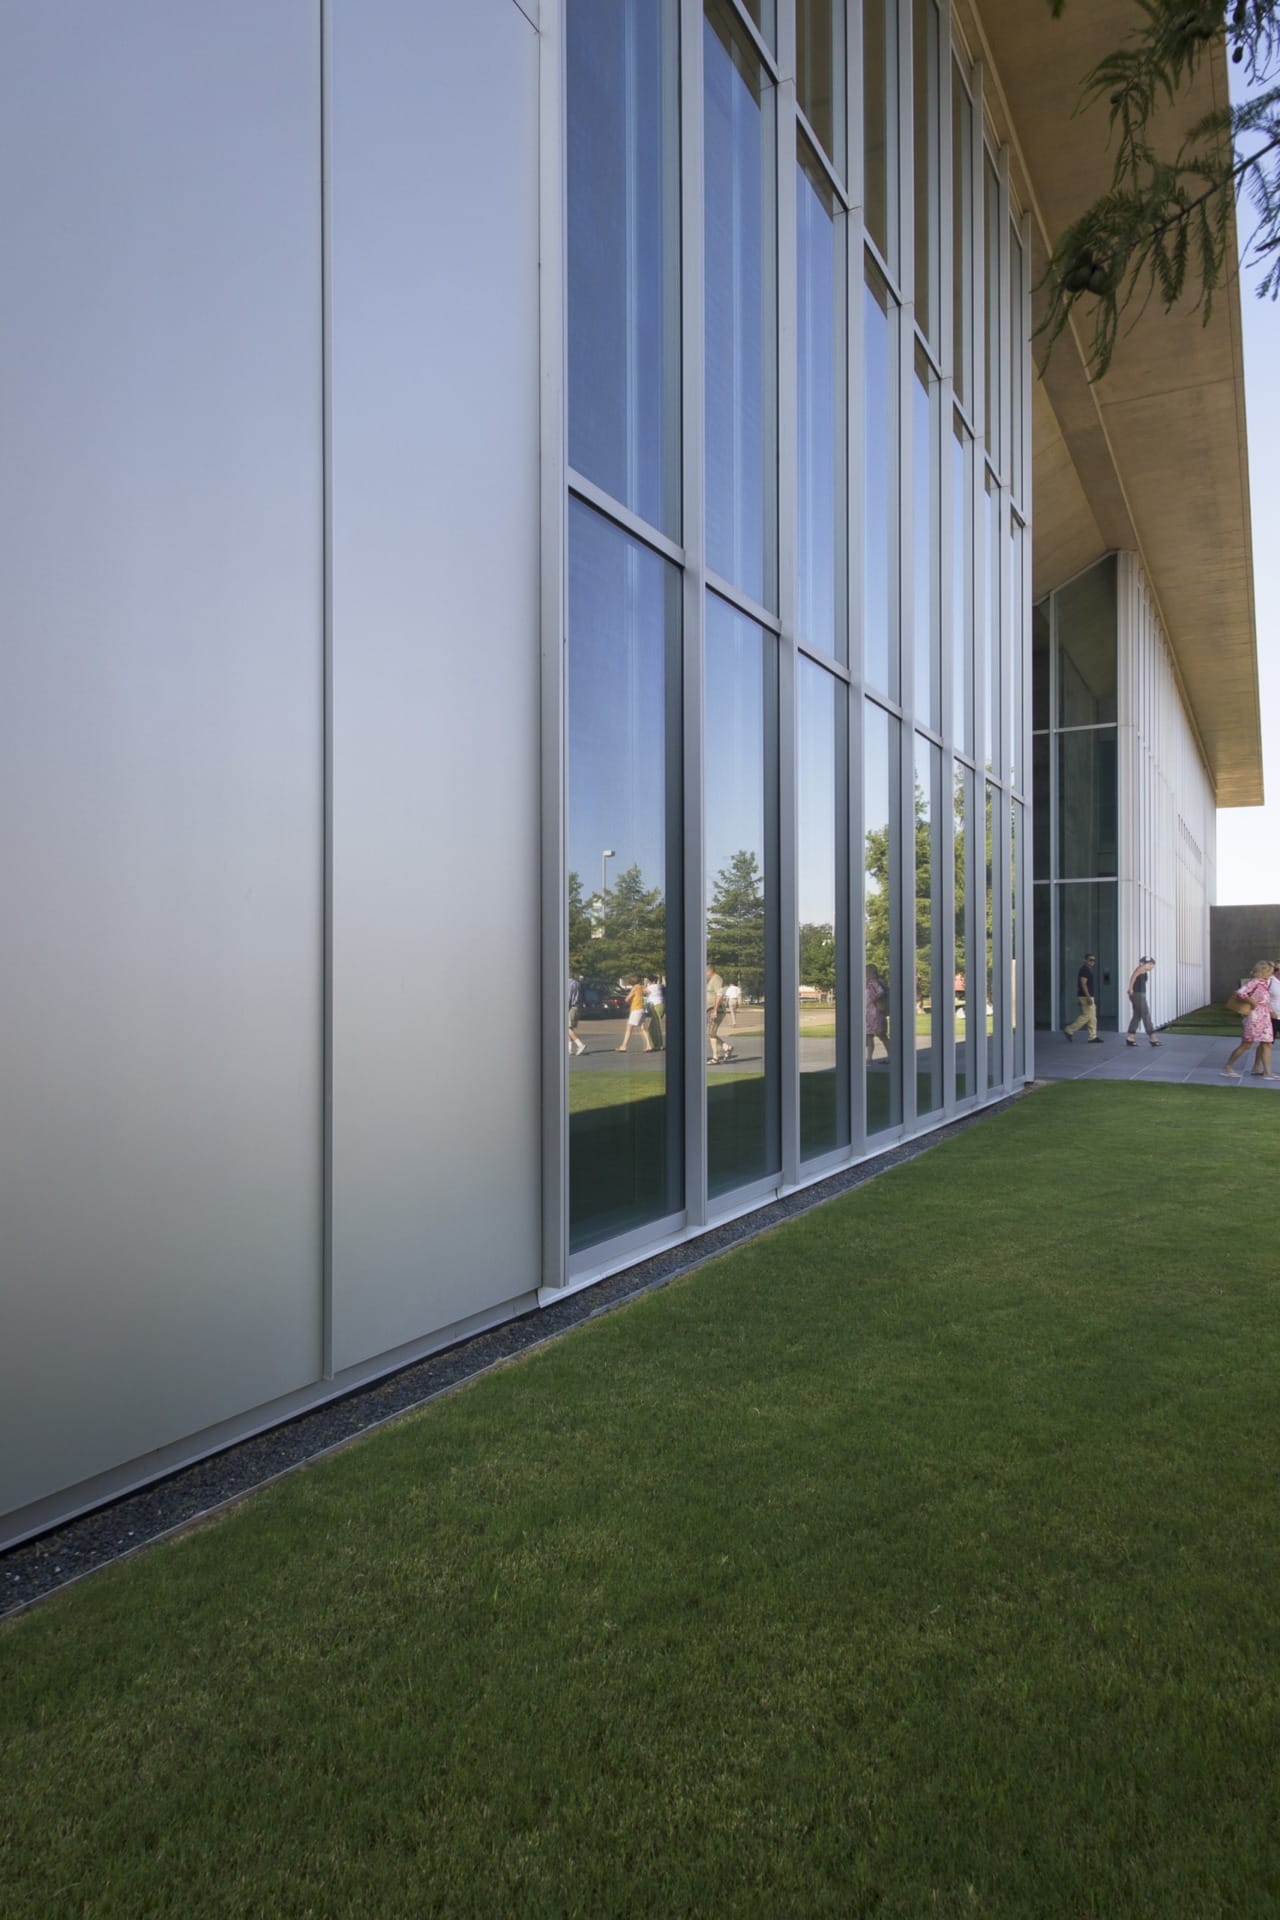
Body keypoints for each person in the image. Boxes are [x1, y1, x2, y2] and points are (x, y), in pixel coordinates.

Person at [1222, 960, 1274, 1078]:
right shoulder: (1254, 982)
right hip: (1254, 1017)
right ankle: (1228, 1066)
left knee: (1267, 1043)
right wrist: (1252, 1002)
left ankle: (1268, 1072)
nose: (1271, 973)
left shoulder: (1266, 983)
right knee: (1247, 1043)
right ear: (1263, 971)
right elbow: (1241, 993)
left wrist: (1270, 1011)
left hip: (1265, 1017)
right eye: (1269, 971)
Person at [1063, 952, 1103, 1043]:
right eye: (1090, 960)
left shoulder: (1087, 969)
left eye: (1094, 960)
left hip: (1087, 996)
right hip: (1085, 996)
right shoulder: (1084, 970)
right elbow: (1083, 983)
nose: (1093, 962)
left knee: (1092, 1017)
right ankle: (1069, 1030)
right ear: (1085, 960)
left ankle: (1092, 1037)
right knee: (1087, 1016)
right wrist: (1088, 997)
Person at [1124, 955, 1160, 1046]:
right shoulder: (1141, 969)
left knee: (1137, 1015)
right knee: (1145, 1014)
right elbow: (1133, 977)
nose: (1152, 966)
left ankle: (1130, 1037)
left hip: (1139, 994)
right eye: (1151, 964)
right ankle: (1152, 1037)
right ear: (1146, 963)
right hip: (1138, 995)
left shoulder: (1144, 971)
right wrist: (1131, 988)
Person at [617, 976, 653, 1053]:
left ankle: (624, 1046)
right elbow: (648, 992)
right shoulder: (641, 987)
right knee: (643, 1028)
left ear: (631, 982)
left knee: (629, 1028)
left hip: (636, 1009)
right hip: (642, 1009)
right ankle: (649, 1045)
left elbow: (627, 998)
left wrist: (628, 998)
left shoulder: (635, 988)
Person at [706, 964, 731, 1063]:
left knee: (711, 1033)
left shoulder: (716, 979)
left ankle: (715, 1058)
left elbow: (719, 994)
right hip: (710, 1009)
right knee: (711, 1033)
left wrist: (715, 1010)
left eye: (705, 972)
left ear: (709, 971)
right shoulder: (711, 980)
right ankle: (726, 1047)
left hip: (715, 1009)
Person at [865, 965, 888, 1062]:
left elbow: (880, 992)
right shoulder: (867, 982)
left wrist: (872, 999)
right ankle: (869, 1058)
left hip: (875, 1012)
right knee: (869, 1035)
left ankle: (891, 1056)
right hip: (868, 1012)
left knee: (881, 1035)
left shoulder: (873, 982)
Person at [644, 976, 665, 1052]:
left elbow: (644, 991)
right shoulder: (658, 986)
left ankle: (659, 1045)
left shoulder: (653, 987)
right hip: (659, 1006)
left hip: (656, 1006)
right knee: (653, 1027)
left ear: (650, 980)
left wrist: (645, 984)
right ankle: (655, 1045)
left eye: (646, 980)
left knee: (656, 1026)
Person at [567, 974, 586, 1056]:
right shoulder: (576, 983)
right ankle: (569, 1048)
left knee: (566, 1028)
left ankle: (580, 1044)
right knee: (569, 1027)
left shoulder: (568, 983)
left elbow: (568, 997)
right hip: (576, 1006)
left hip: (571, 1007)